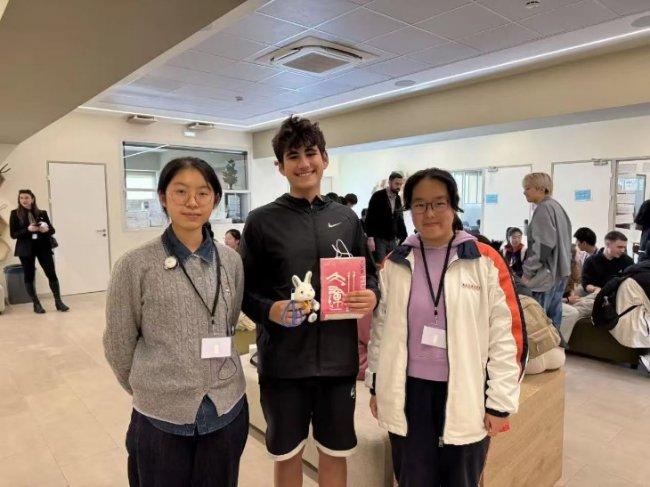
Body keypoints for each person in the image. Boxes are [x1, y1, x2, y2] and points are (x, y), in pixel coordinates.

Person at [241, 116, 379, 487]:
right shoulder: (261, 221)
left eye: (310, 153)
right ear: (280, 166)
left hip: (338, 363)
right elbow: (244, 291)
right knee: (288, 454)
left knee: (335, 452)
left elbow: (370, 275)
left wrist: (371, 294)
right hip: (284, 365)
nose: (304, 163)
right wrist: (269, 309)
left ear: (325, 158)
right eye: (293, 156)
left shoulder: (347, 218)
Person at [367, 168, 526, 487]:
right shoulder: (395, 263)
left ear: (454, 205)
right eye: (419, 204)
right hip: (409, 392)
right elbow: (380, 332)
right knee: (412, 478)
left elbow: (506, 337)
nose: (429, 213)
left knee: (462, 478)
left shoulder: (484, 260)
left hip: (467, 390)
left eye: (439, 203)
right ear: (409, 210)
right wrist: (375, 385)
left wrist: (499, 403)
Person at [104, 157, 248, 487]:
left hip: (226, 409)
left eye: (203, 193)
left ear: (215, 199)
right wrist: (151, 387)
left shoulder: (231, 261)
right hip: (161, 418)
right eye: (180, 191)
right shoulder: (134, 265)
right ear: (163, 197)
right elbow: (118, 344)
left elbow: (231, 322)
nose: (192, 202)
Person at [521, 172, 572, 331]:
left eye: (527, 188)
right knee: (553, 325)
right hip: (559, 274)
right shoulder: (557, 207)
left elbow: (543, 246)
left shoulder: (543, 209)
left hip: (545, 276)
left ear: (541, 189)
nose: (524, 192)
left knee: (539, 326)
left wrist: (528, 272)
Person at [9, 189, 69, 313]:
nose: (24, 200)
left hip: (43, 247)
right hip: (25, 250)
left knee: (51, 273)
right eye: (21, 198)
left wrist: (46, 230)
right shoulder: (14, 214)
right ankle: (36, 304)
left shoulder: (42, 213)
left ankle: (58, 302)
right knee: (29, 276)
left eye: (26, 197)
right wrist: (28, 230)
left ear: (32, 199)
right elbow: (13, 234)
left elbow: (52, 230)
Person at [365, 171, 407, 262]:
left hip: (392, 238)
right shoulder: (378, 196)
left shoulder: (397, 198)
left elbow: (399, 218)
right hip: (380, 238)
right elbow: (370, 217)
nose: (399, 186)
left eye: (400, 184)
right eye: (396, 184)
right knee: (381, 264)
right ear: (390, 182)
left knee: (393, 263)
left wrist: (403, 236)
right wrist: (370, 237)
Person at [581, 231, 634, 295]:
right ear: (608, 244)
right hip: (597, 295)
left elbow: (632, 281)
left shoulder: (628, 261)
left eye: (624, 247)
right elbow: (586, 283)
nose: (623, 250)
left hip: (620, 295)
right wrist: (594, 289)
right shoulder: (591, 261)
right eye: (619, 247)